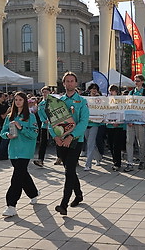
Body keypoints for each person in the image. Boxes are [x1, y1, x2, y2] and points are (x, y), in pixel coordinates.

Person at [49, 71, 89, 215]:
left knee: (69, 171)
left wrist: (71, 136)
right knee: (70, 170)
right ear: (64, 83)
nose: (70, 83)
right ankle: (78, 194)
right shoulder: (58, 102)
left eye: (72, 81)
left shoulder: (82, 101)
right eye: (67, 81)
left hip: (75, 141)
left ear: (76, 83)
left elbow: (84, 122)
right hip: (61, 141)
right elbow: (51, 122)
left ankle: (63, 204)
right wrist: (55, 137)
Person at [1, 91, 40, 217]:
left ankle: (11, 205)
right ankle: (33, 193)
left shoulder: (31, 117)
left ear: (24, 101)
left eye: (20, 100)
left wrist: (21, 128)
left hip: (25, 150)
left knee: (17, 177)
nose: (18, 102)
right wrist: (7, 135)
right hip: (13, 151)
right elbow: (3, 132)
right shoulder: (10, 116)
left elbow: (34, 134)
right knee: (23, 175)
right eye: (16, 100)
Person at [124, 74, 145, 172]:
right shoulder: (131, 93)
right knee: (129, 141)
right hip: (131, 121)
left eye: (138, 81)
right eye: (135, 81)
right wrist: (129, 120)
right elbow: (127, 107)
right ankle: (130, 162)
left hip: (140, 121)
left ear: (142, 82)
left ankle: (142, 160)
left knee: (141, 142)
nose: (136, 82)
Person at [84, 83, 103, 171]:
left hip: (95, 123)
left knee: (90, 144)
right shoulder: (85, 99)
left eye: (96, 88)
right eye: (93, 88)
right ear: (90, 90)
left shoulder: (100, 99)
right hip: (86, 123)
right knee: (90, 142)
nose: (94, 90)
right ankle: (98, 158)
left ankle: (88, 164)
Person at [107, 85, 126, 171]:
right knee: (110, 145)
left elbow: (122, 112)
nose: (111, 92)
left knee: (116, 145)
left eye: (113, 91)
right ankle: (115, 160)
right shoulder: (107, 100)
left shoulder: (120, 100)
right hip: (109, 125)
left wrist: (118, 122)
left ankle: (117, 163)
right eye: (110, 91)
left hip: (119, 126)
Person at [33, 86, 51, 167]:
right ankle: (40, 159)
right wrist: (44, 120)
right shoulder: (41, 104)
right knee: (43, 142)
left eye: (46, 91)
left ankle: (61, 157)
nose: (45, 93)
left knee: (59, 141)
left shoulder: (53, 102)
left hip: (55, 124)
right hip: (45, 125)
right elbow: (40, 114)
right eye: (43, 92)